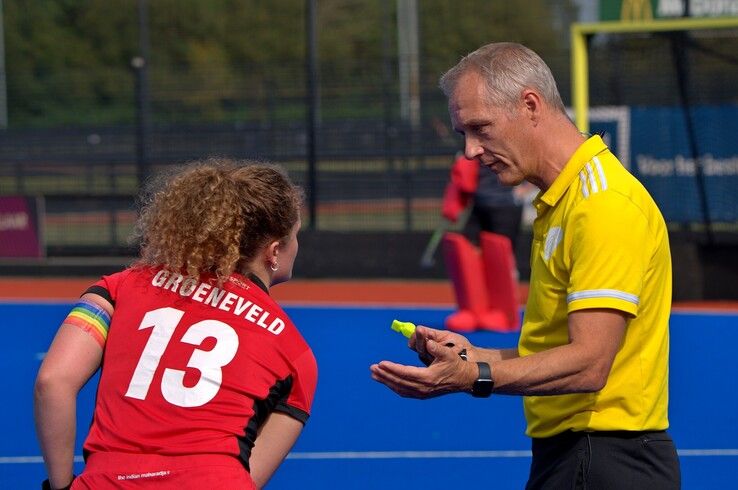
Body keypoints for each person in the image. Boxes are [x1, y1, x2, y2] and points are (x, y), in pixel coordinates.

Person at [370, 42, 680, 489]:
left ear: (530, 105)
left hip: (604, 458)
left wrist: (473, 376)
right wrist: (470, 355)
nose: (472, 151)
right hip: (582, 454)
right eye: (464, 135)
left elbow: (590, 364)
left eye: (480, 128)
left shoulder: (602, 204)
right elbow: (558, 352)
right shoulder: (566, 200)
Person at [34, 158, 317, 489]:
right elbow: (249, 474)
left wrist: (61, 485)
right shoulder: (296, 354)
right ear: (274, 250)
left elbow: (52, 382)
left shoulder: (117, 289)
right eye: (295, 236)